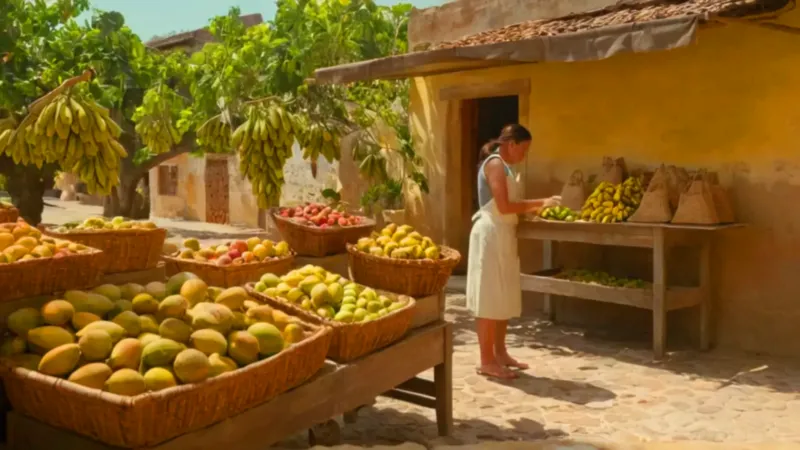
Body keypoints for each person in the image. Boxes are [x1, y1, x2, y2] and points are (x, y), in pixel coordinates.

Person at [467, 124, 560, 380]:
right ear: (512, 144)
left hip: (504, 235)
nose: (525, 155)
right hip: (489, 234)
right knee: (488, 298)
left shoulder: (507, 168)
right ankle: (486, 360)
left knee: (503, 295)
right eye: (524, 149)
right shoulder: (495, 164)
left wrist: (534, 211)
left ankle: (500, 353)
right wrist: (541, 203)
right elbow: (505, 205)